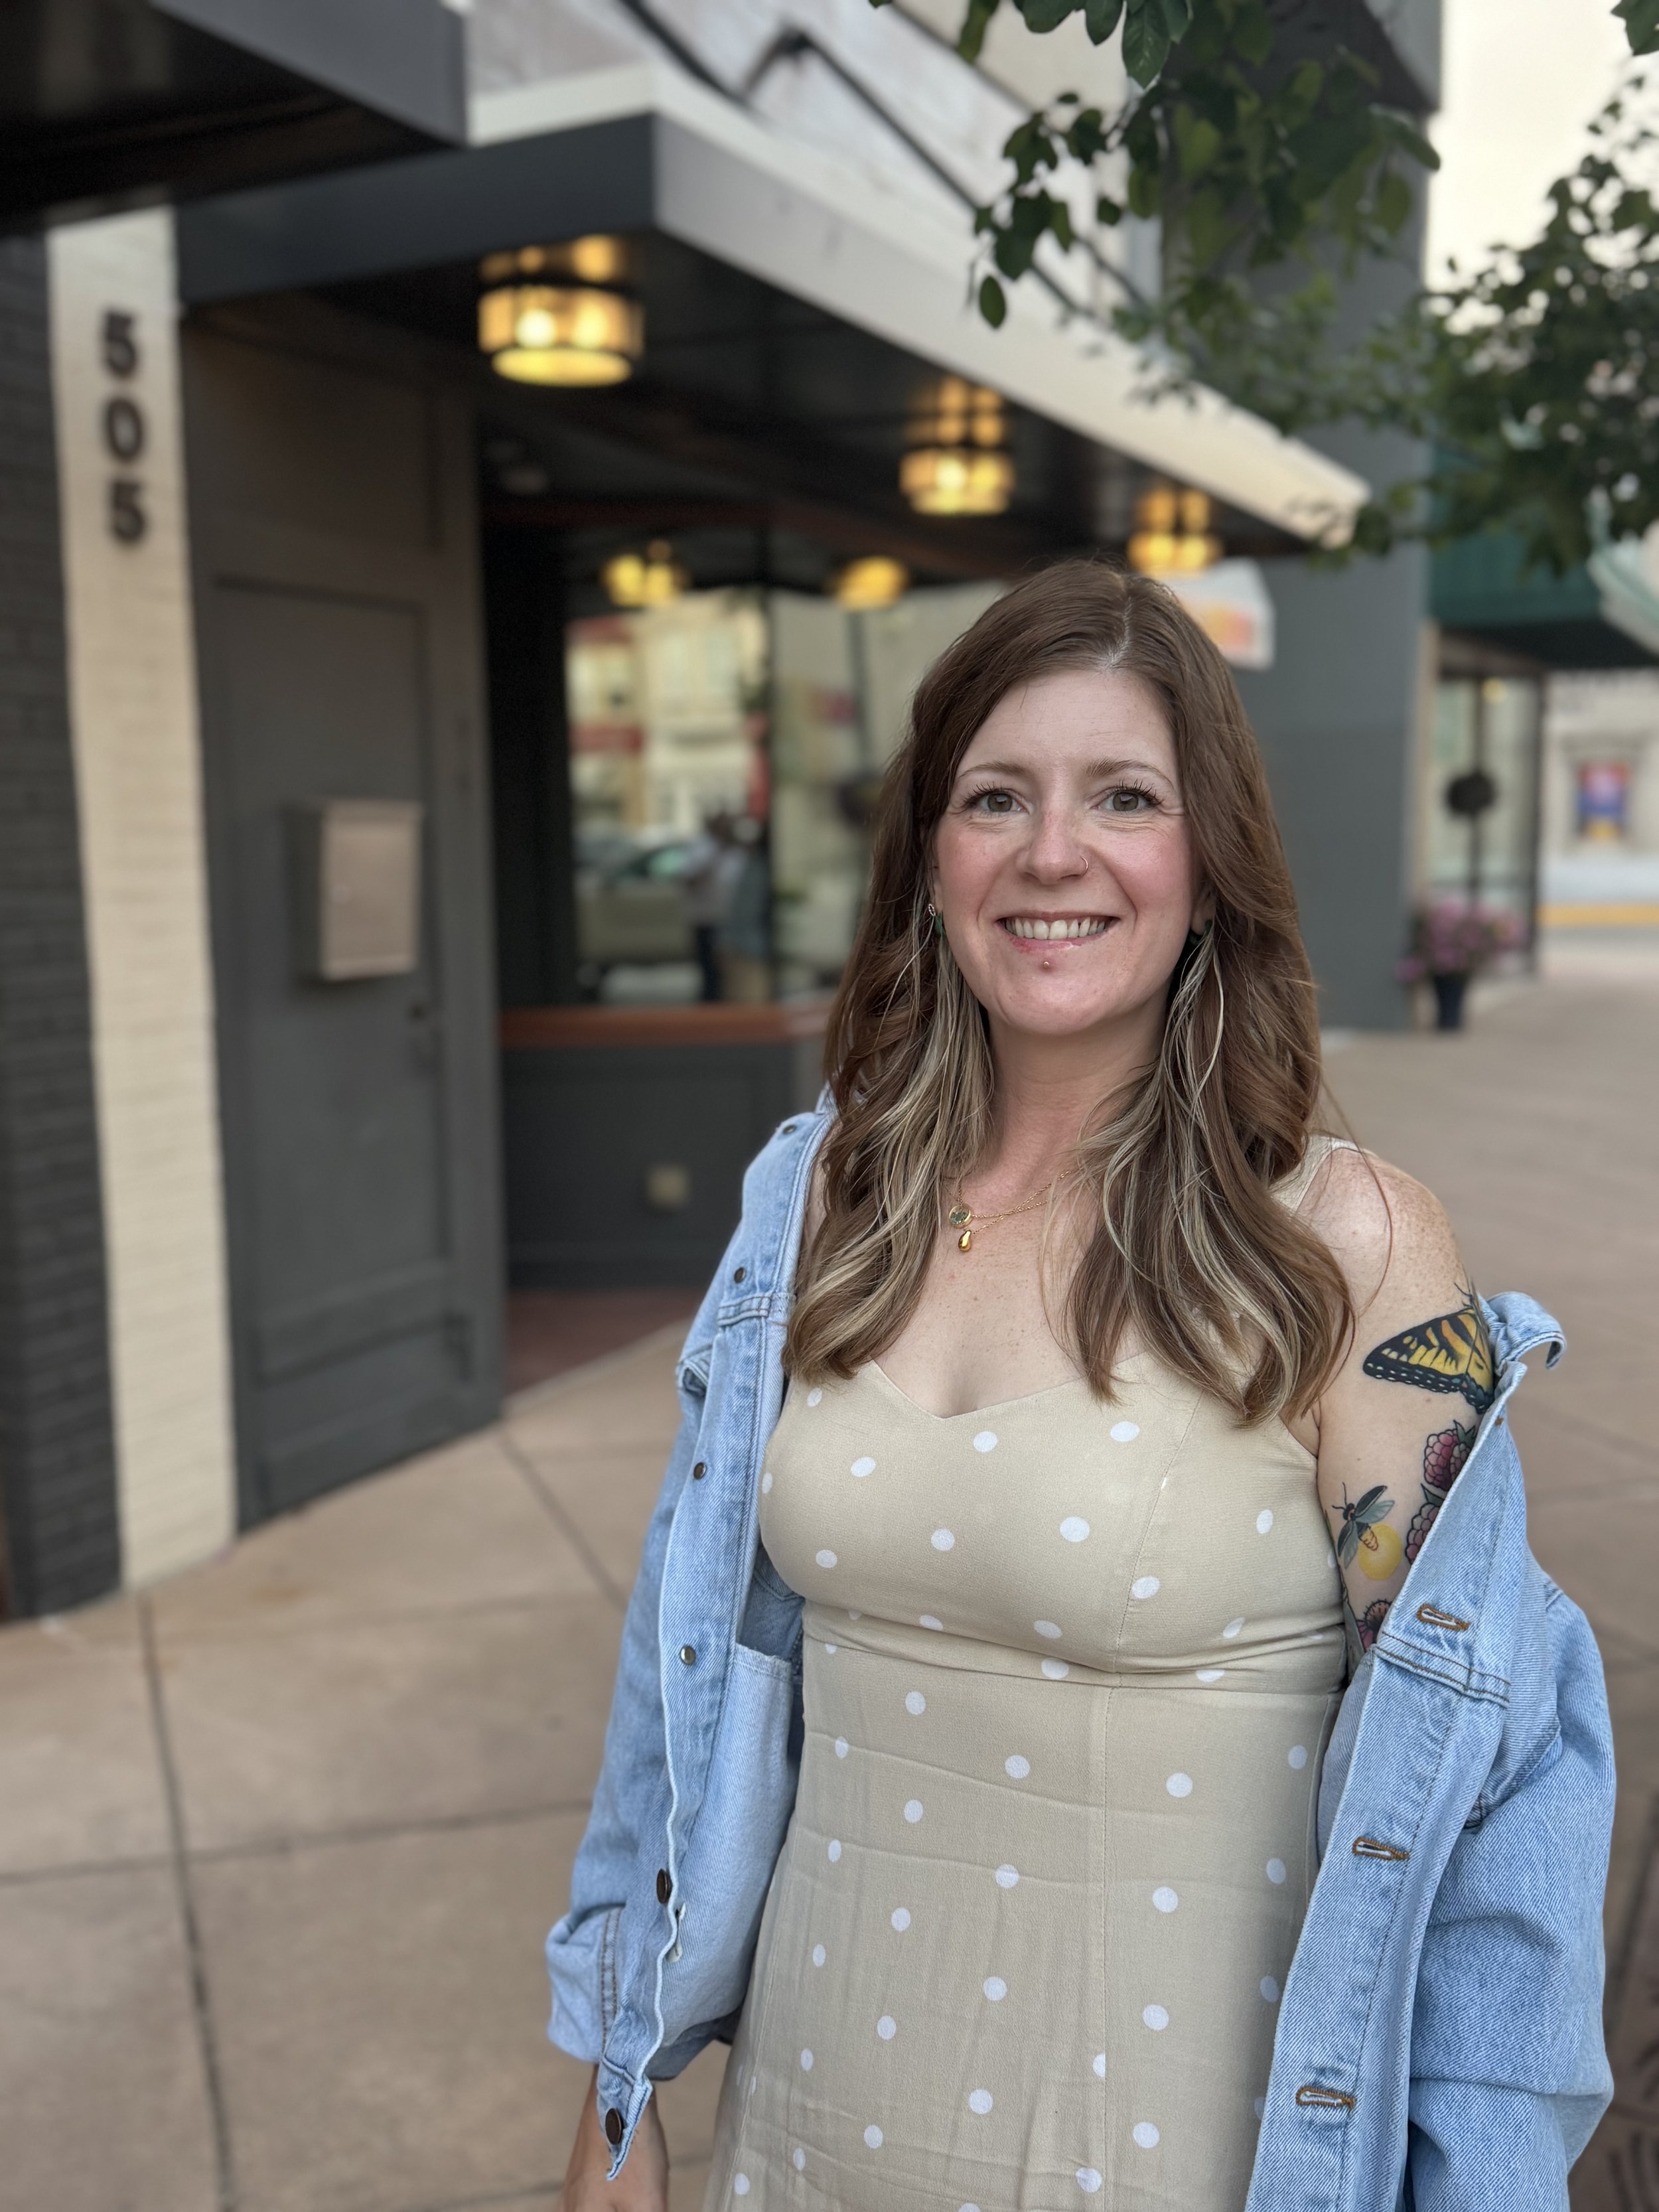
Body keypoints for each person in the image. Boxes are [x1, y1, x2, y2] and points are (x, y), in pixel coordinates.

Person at [549, 562, 1613, 2212]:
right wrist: (616, 2084)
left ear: (1209, 865)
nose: (1052, 852)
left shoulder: (1341, 1244)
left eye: (1124, 795)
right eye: (996, 797)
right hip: (810, 2126)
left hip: (1173, 2151)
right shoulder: (817, 1200)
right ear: (929, 863)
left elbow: (1495, 1791)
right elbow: (674, 1671)